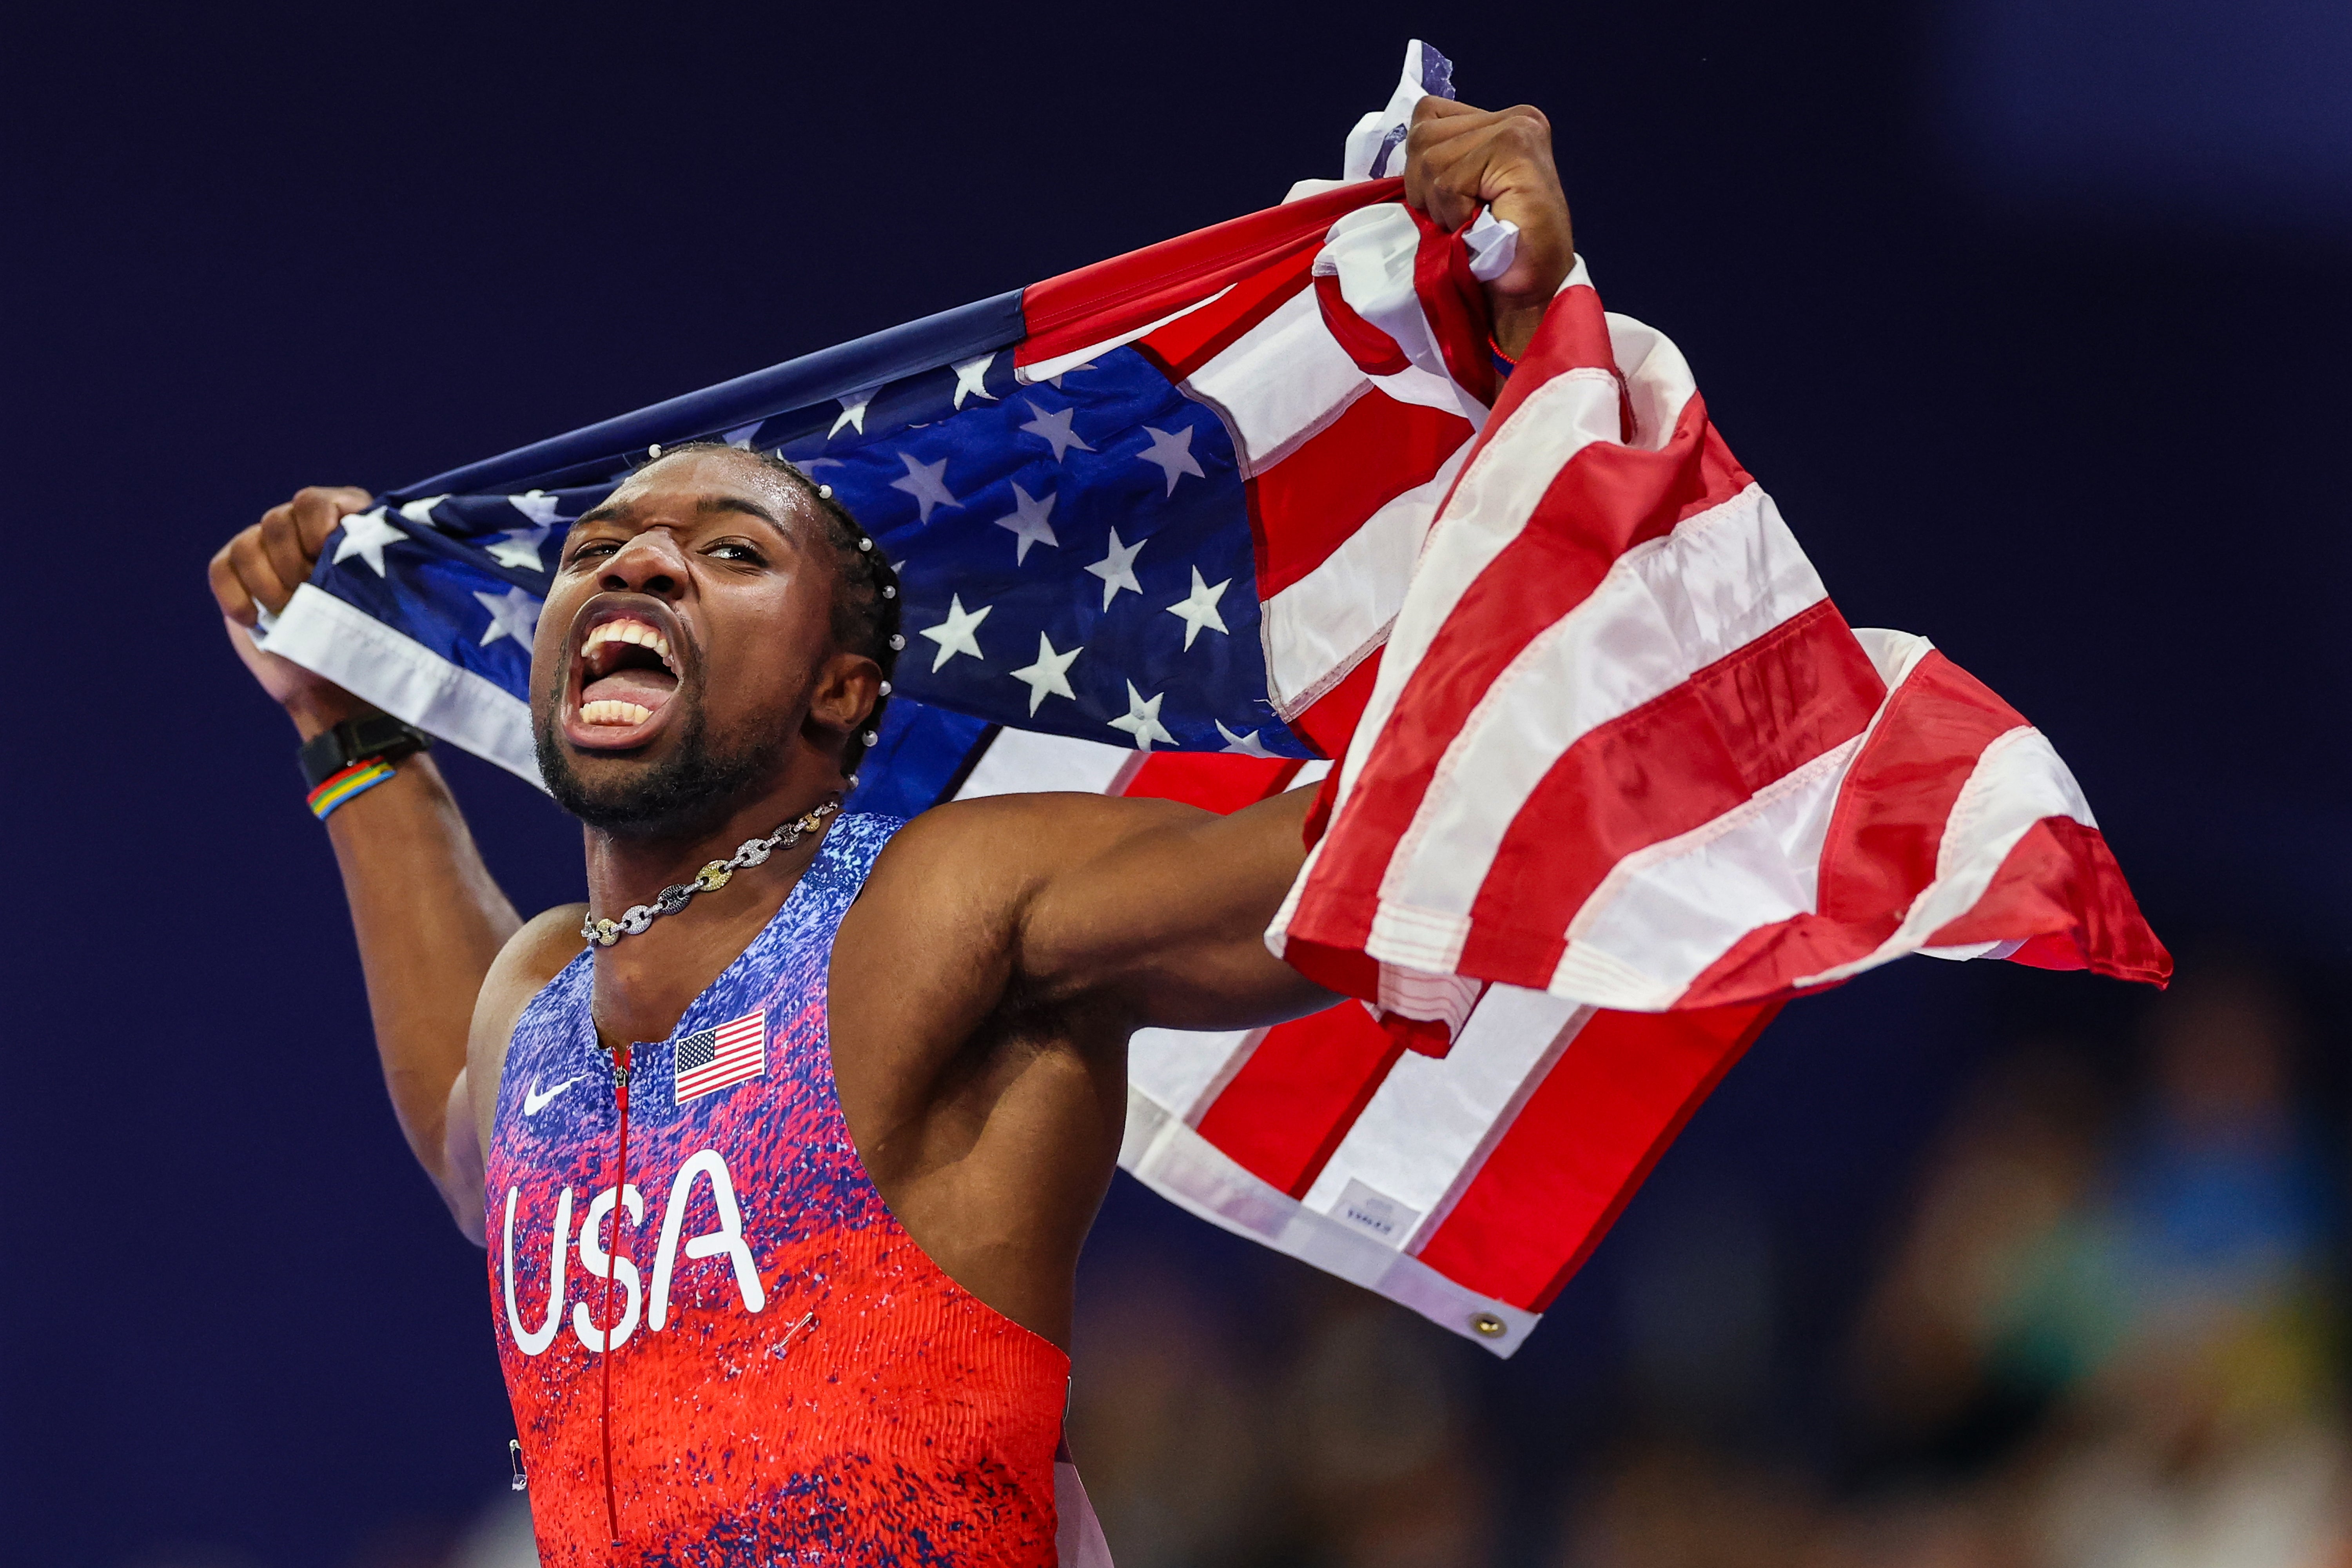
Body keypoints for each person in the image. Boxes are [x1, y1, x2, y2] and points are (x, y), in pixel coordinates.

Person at [206, 97, 1575, 1567]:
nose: (640, 561)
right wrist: (349, 734)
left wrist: (1528, 361)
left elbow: (1380, 848)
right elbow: (472, 1146)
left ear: (842, 690)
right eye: (598, 548)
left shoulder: (938, 909)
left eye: (731, 552)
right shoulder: (538, 1003)